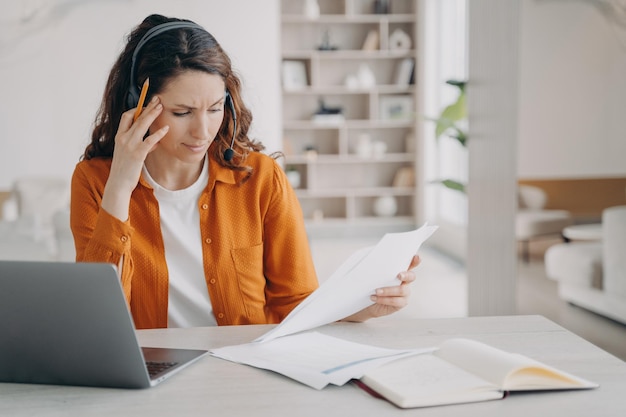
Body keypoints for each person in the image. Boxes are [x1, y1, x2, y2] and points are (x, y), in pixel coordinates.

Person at [70, 14, 420, 330]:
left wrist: (366, 306)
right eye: (182, 112)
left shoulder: (261, 178)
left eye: (215, 108)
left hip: (246, 368)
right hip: (151, 376)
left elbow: (295, 301)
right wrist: (120, 184)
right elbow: (95, 316)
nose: (203, 131)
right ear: (138, 106)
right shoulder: (95, 182)